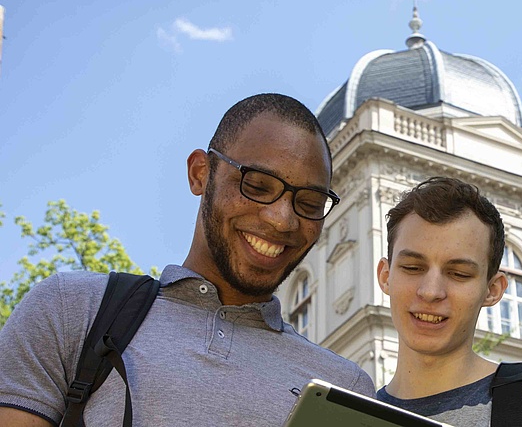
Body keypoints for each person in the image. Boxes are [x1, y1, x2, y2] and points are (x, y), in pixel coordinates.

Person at [0, 93, 375, 426]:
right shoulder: (71, 310)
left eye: (308, 203)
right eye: (257, 186)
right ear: (200, 173)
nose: (281, 219)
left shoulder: (345, 388)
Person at [375, 177, 522, 426]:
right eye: (413, 268)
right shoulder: (344, 413)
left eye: (459, 274)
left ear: (492, 290)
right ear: (385, 277)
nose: (430, 291)